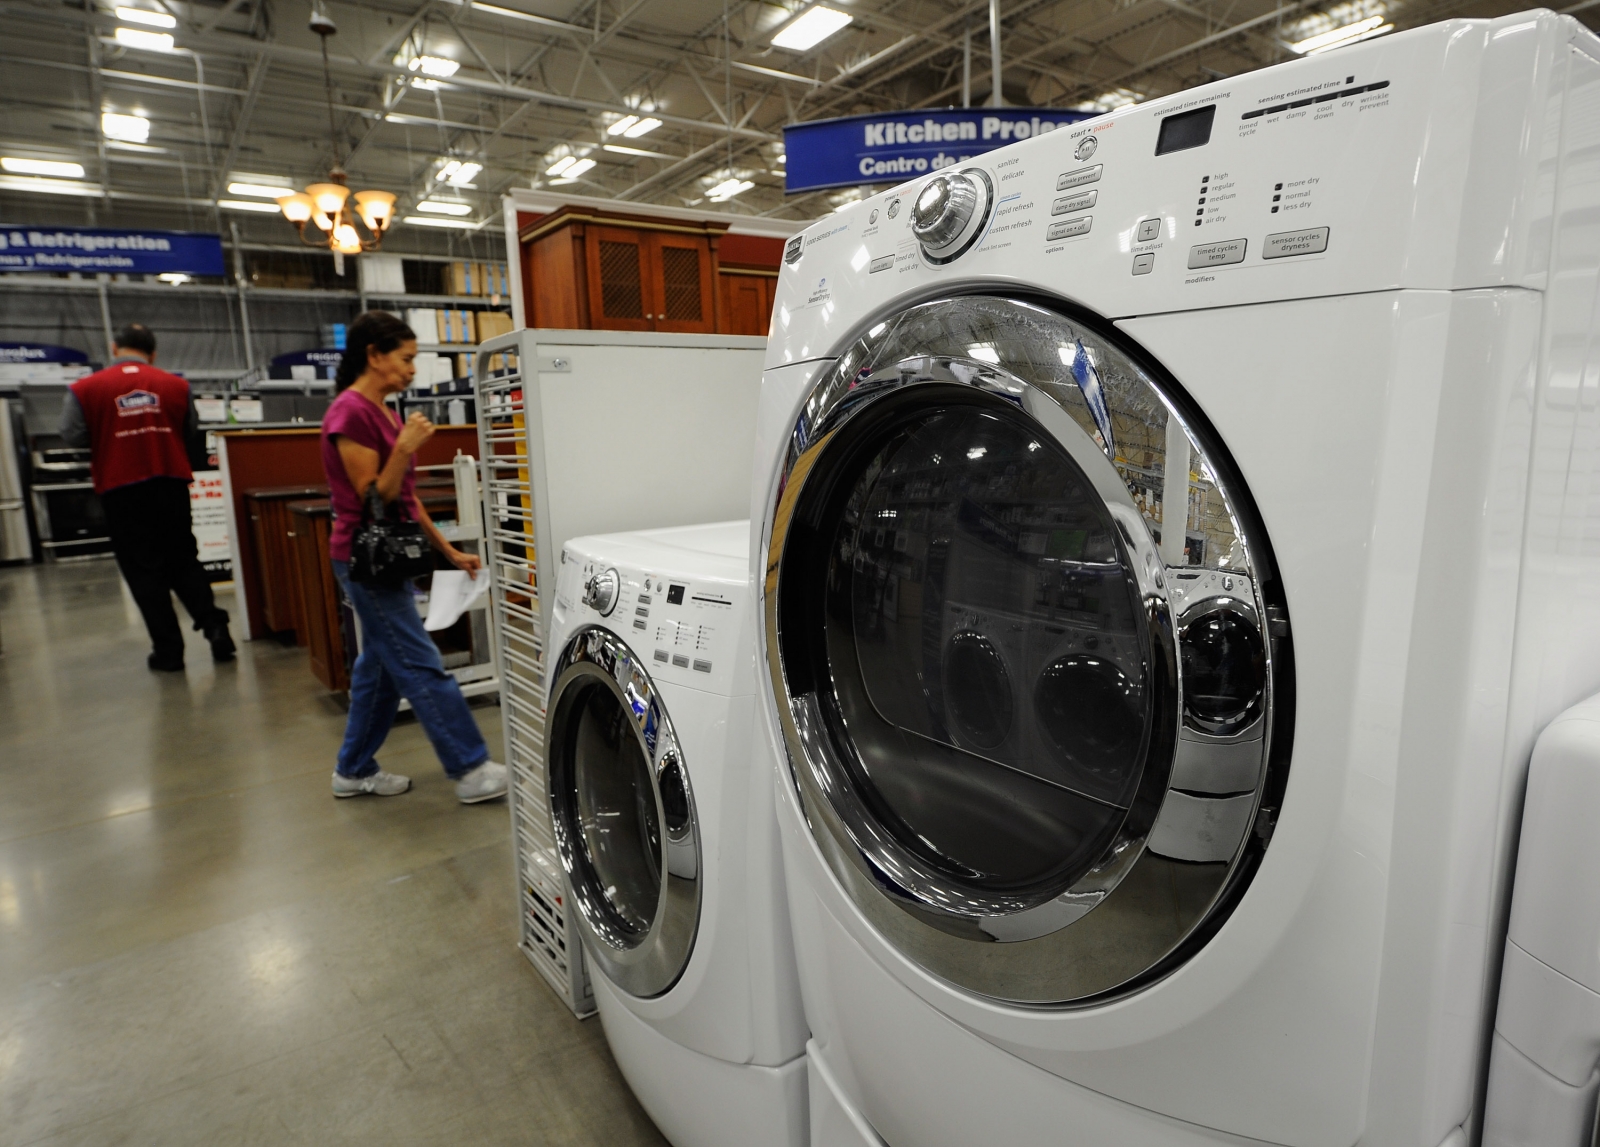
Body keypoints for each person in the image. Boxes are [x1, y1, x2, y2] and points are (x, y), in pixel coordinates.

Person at [321, 311, 507, 804]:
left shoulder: (383, 409)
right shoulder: (350, 413)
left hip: (388, 560)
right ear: (374, 356)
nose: (412, 371)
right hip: (365, 561)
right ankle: (470, 769)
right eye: (405, 360)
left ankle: (353, 768)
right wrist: (403, 449)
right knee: (420, 664)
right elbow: (372, 502)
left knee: (381, 669)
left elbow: (406, 498)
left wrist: (449, 551)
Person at [61, 323, 235, 672]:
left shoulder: (84, 390)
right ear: (153, 353)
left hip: (121, 488)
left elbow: (72, 437)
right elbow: (190, 432)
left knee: (144, 571)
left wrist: (112, 439)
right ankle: (216, 627)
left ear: (114, 347)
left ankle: (169, 652)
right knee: (184, 558)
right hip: (169, 483)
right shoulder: (177, 386)